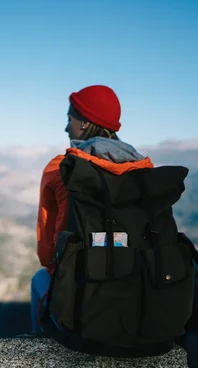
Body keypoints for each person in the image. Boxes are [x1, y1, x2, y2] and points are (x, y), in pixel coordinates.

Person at [30, 84, 154, 334]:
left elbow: (46, 252)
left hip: (80, 293)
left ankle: (45, 348)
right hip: (136, 284)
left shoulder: (61, 168)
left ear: (85, 123)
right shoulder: (144, 170)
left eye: (69, 119)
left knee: (38, 281)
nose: (66, 127)